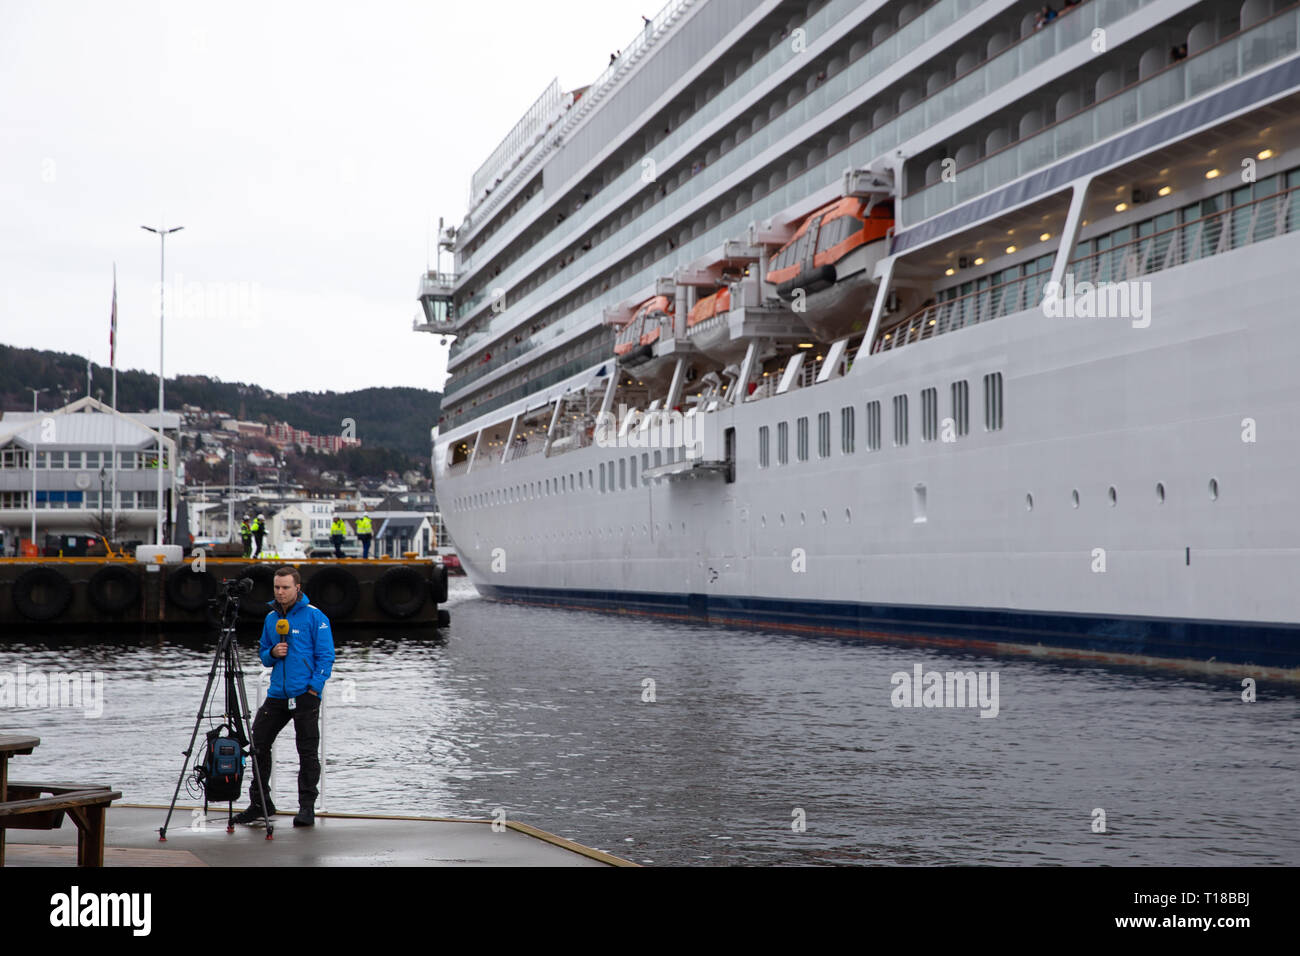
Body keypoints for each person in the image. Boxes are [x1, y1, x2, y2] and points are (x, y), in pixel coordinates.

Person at [233, 566, 335, 828]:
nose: (280, 592)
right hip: (277, 694)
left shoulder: (316, 617)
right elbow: (263, 654)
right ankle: (260, 804)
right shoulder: (271, 619)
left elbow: (326, 656)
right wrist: (273, 653)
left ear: (297, 587)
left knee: (307, 752)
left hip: (305, 694)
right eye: (277, 587)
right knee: (256, 746)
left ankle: (307, 808)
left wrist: (314, 687)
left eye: (285, 587)